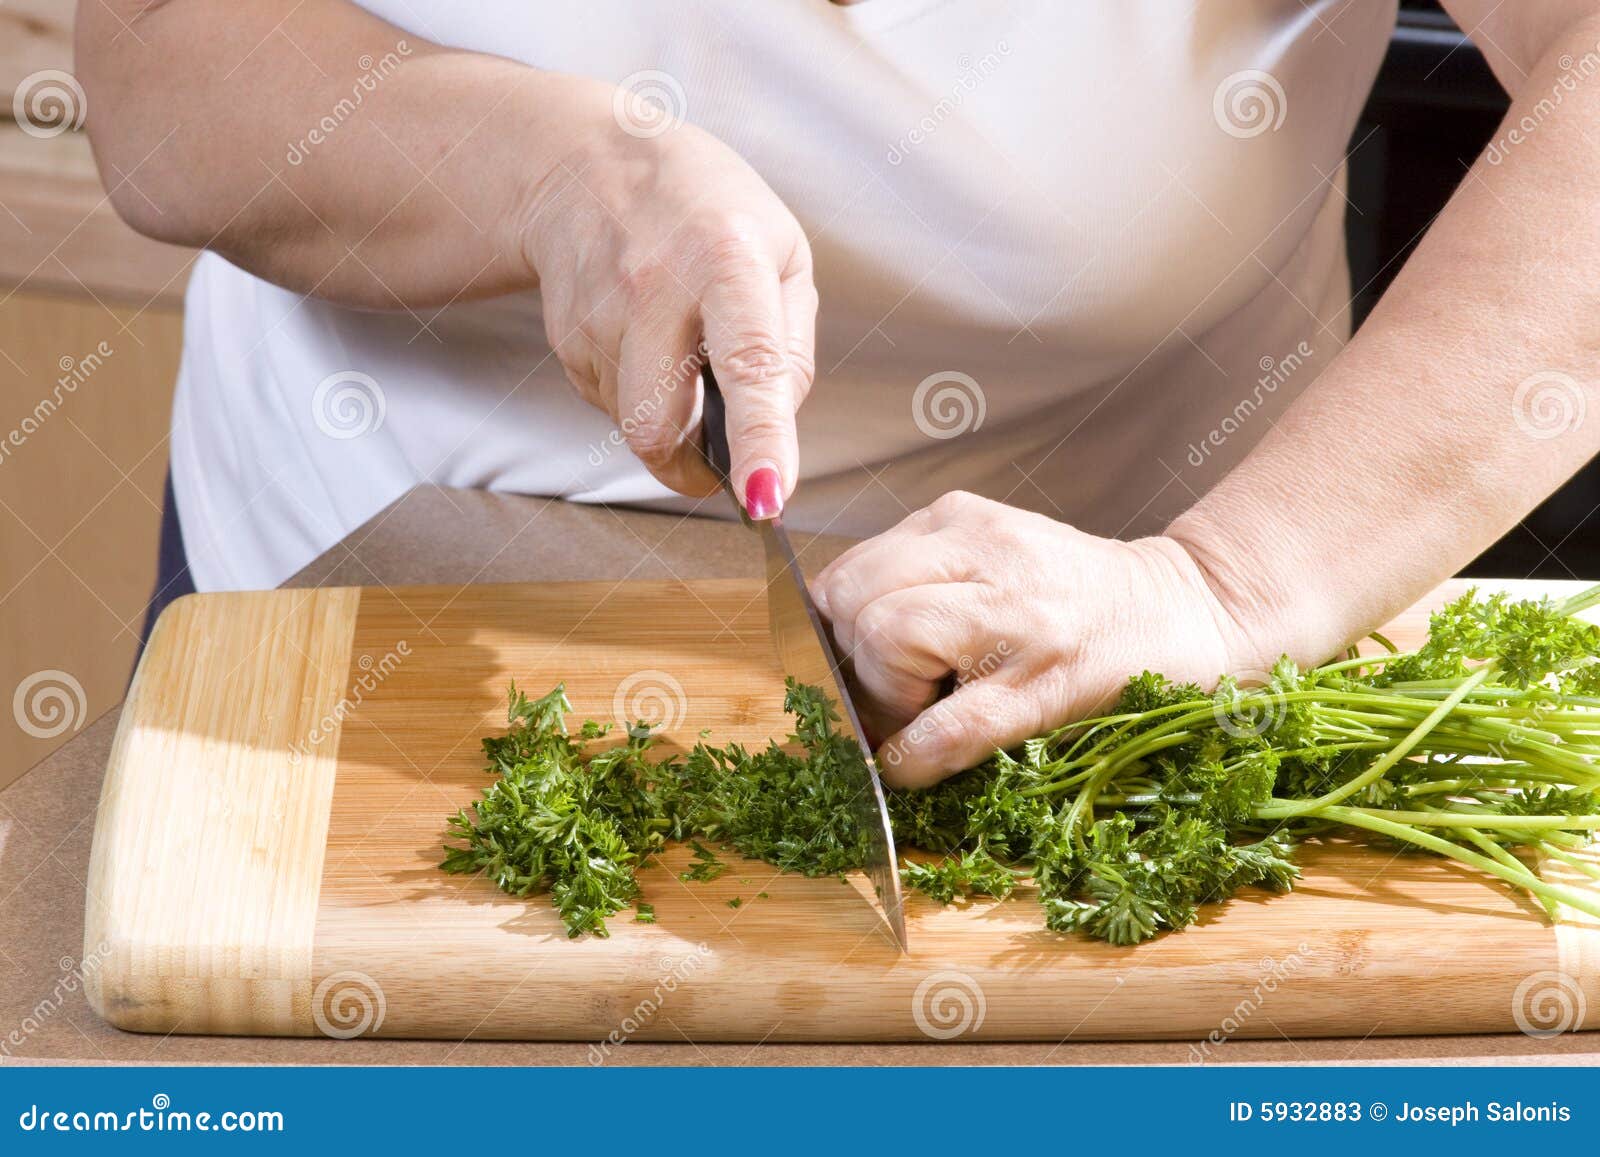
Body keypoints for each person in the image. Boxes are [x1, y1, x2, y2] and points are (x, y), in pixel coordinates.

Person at [80, 1, 1600, 786]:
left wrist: (1222, 583)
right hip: (350, 605)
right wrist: (539, 173)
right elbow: (153, 64)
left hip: (1092, 678)